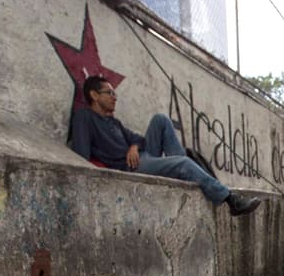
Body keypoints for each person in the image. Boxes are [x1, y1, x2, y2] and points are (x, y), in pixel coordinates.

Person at [68, 76, 261, 216]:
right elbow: (81, 155)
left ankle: (181, 169)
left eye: (114, 93)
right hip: (130, 167)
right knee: (184, 163)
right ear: (94, 95)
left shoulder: (114, 122)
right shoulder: (84, 117)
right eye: (109, 92)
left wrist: (133, 146)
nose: (114, 97)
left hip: (142, 156)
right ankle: (230, 200)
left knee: (161, 119)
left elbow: (139, 139)